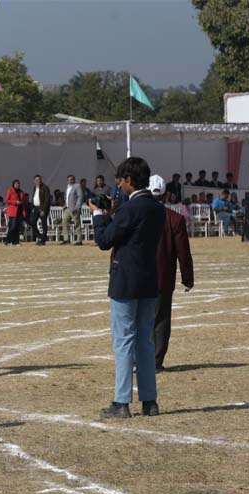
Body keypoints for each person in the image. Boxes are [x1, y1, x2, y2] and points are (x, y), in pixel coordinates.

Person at [91, 156, 164, 419]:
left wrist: (98, 215)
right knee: (145, 341)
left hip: (125, 282)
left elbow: (104, 241)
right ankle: (149, 401)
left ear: (129, 180)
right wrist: (113, 214)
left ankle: (121, 402)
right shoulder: (157, 209)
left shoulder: (129, 209)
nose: (119, 186)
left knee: (123, 342)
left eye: (121, 181)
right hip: (148, 280)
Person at [148, 175, 194, 374]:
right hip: (163, 278)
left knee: (137, 319)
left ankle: (136, 359)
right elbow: (183, 252)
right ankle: (155, 361)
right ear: (166, 194)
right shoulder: (175, 219)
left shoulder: (134, 214)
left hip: (137, 277)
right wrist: (187, 278)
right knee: (161, 320)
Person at [28, 174, 52, 245]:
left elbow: (47, 200)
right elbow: (34, 197)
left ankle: (43, 241)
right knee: (32, 222)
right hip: (35, 208)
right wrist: (32, 207)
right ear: (34, 181)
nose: (37, 181)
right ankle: (40, 236)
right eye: (36, 180)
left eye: (39, 180)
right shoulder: (34, 187)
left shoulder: (45, 187)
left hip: (42, 208)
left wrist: (44, 210)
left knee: (44, 224)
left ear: (41, 180)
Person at [61, 174, 84, 244]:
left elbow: (80, 196)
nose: (70, 181)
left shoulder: (77, 186)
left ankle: (79, 240)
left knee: (77, 223)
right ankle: (66, 239)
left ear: (74, 180)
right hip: (67, 208)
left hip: (74, 208)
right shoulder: (68, 187)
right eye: (68, 180)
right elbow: (66, 197)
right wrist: (65, 205)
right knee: (64, 222)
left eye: (71, 179)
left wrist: (77, 207)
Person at [3, 179, 24, 245]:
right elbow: (7, 200)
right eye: (16, 184)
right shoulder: (10, 190)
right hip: (13, 211)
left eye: (18, 184)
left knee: (17, 226)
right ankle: (7, 240)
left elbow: (22, 199)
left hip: (20, 210)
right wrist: (15, 202)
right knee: (12, 226)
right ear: (13, 184)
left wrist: (21, 202)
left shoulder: (21, 191)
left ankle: (16, 241)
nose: (17, 185)